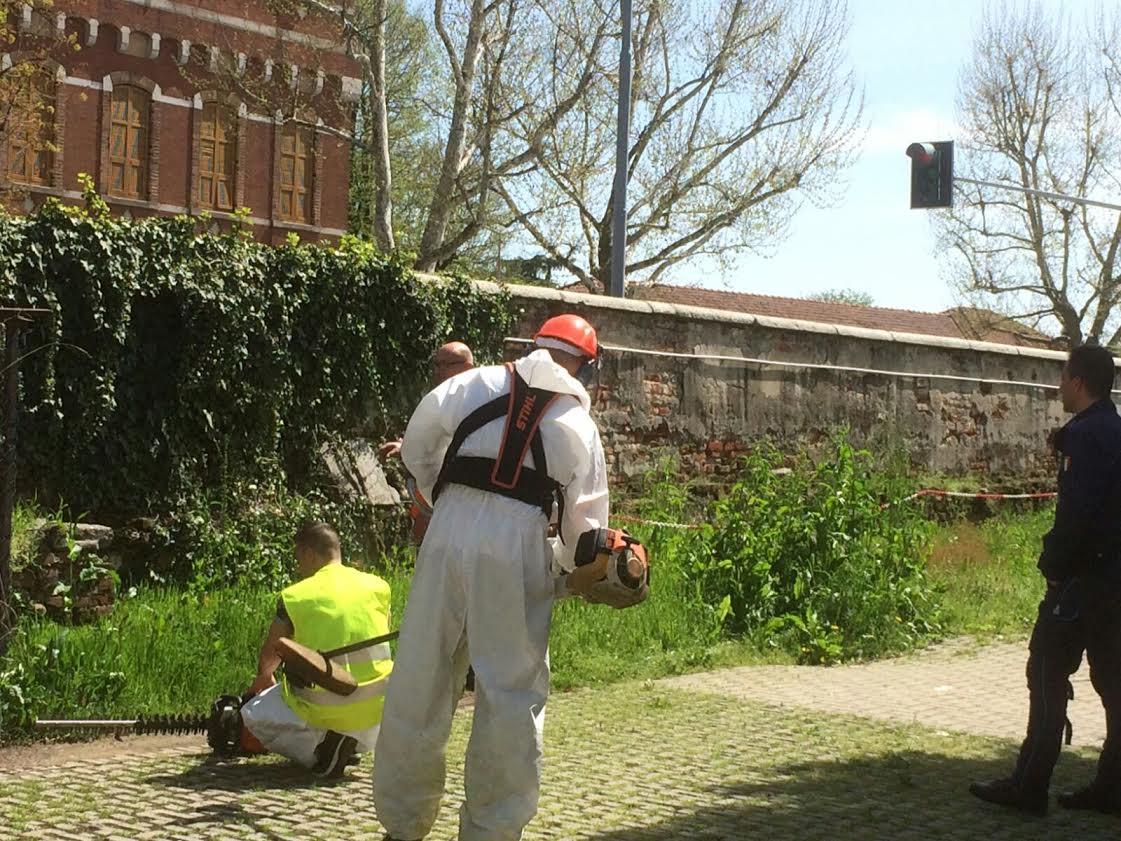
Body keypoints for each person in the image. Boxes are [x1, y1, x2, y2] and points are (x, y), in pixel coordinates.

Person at [373, 314, 609, 841]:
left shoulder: (470, 382)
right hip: (518, 542)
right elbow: (587, 531)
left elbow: (415, 448)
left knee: (420, 676)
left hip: (448, 530)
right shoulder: (577, 424)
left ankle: (401, 825)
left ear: (535, 347)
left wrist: (446, 498)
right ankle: (491, 832)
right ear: (586, 367)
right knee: (509, 693)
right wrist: (566, 568)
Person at [970, 344, 1121, 816]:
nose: (1057, 386)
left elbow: (1077, 512)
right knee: (1115, 687)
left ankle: (1029, 783)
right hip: (1116, 582)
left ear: (1078, 383)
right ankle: (1112, 787)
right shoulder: (1117, 430)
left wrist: (1054, 566)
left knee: (1046, 675)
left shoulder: (1084, 436)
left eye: (1062, 377)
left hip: (1081, 583)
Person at [240, 522, 394, 777]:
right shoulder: (378, 587)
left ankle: (321, 751)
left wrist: (262, 680)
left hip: (327, 705)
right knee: (354, 713)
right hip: (379, 704)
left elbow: (271, 654)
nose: (298, 566)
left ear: (310, 554)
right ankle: (348, 745)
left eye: (298, 557)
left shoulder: (296, 596)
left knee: (254, 714)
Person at [378, 341, 476, 463]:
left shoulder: (472, 401)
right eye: (437, 365)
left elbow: (451, 449)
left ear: (467, 367)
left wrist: (409, 451)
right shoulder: (441, 399)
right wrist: (407, 448)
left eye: (446, 365)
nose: (439, 371)